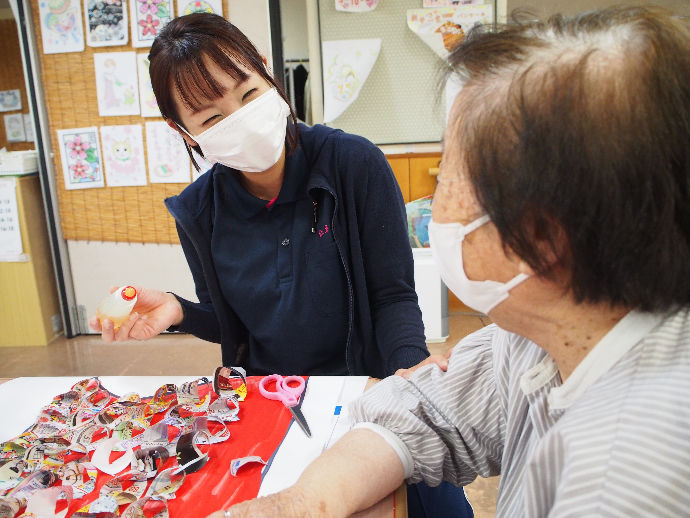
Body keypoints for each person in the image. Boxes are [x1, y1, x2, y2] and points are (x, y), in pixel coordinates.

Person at [207, 5, 690, 517]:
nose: (434, 205)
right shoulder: (536, 336)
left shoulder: (625, 481)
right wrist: (303, 503)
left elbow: (392, 301)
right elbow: (425, 408)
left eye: (449, 179)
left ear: (543, 236)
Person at [89, 12, 471, 517]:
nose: (241, 119)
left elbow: (393, 295)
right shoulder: (199, 211)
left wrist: (409, 371)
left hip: (370, 392)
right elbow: (236, 327)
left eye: (247, 94)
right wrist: (179, 311)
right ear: (182, 131)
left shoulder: (352, 165)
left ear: (266, 72)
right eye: (211, 118)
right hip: (275, 415)